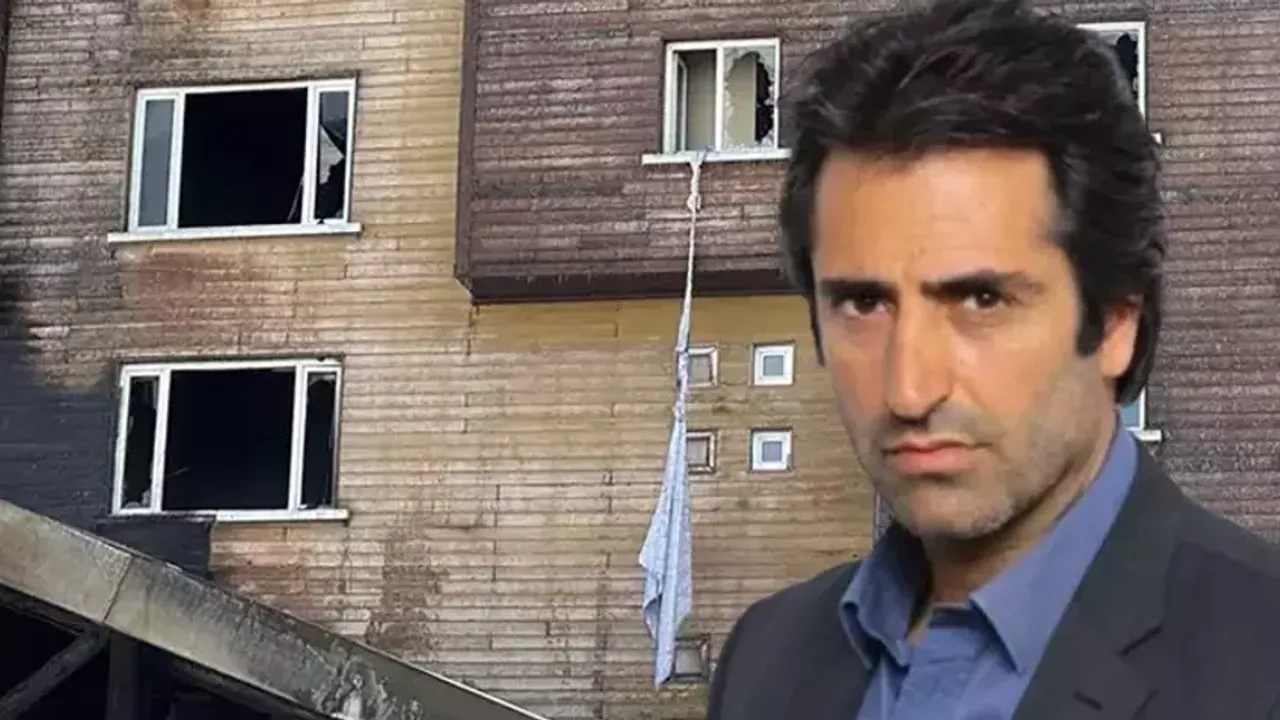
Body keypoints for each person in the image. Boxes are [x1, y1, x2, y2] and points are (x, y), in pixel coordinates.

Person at [706, 0, 1280, 718]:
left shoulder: (1259, 661)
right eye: (863, 303)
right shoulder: (766, 657)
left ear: (1115, 323)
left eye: (980, 299)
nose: (909, 390)